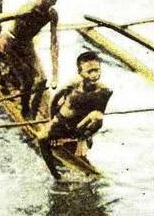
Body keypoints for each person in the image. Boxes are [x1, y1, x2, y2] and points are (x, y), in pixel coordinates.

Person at [39, 51, 113, 179]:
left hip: (79, 126)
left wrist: (87, 136)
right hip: (61, 121)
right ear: (80, 72)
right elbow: (54, 101)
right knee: (41, 138)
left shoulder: (105, 91)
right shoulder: (72, 85)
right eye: (89, 71)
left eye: (97, 70)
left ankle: (80, 143)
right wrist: (52, 121)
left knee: (98, 118)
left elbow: (99, 116)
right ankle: (55, 174)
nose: (94, 75)